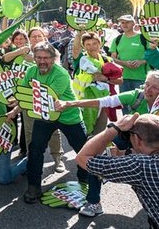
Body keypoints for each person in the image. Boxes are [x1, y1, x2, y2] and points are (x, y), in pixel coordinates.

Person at [56, 70, 159, 217]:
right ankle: (93, 202)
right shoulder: (138, 95)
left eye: (155, 87)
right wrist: (70, 103)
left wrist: (127, 154)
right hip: (130, 137)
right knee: (97, 154)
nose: (148, 89)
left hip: (153, 147)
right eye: (147, 84)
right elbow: (104, 101)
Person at [22, 41, 88, 204]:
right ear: (34, 58)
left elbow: (48, 98)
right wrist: (14, 106)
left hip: (69, 116)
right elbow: (23, 93)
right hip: (44, 117)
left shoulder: (61, 73)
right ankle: (33, 186)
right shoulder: (30, 71)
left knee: (83, 149)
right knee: (35, 149)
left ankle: (85, 181)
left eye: (46, 57)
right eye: (38, 57)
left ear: (53, 58)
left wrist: (25, 98)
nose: (42, 61)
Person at [76, 113, 159, 229]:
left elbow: (82, 158)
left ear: (137, 140)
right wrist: (122, 153)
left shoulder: (140, 166)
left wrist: (114, 128)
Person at [21, 27, 65, 172]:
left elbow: (57, 66)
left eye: (39, 36)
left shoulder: (52, 51)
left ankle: (57, 159)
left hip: (48, 97)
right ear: (29, 38)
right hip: (28, 97)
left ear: (44, 37)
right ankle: (30, 158)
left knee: (52, 130)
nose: (36, 39)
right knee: (29, 131)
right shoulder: (23, 50)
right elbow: (5, 59)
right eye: (33, 36)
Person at [110, 14, 148, 95]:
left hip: (141, 78)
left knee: (140, 105)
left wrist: (141, 61)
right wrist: (124, 63)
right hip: (123, 78)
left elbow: (153, 55)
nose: (124, 24)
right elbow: (113, 58)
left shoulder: (143, 38)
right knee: (125, 105)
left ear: (133, 23)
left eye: (127, 22)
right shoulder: (117, 39)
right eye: (122, 22)